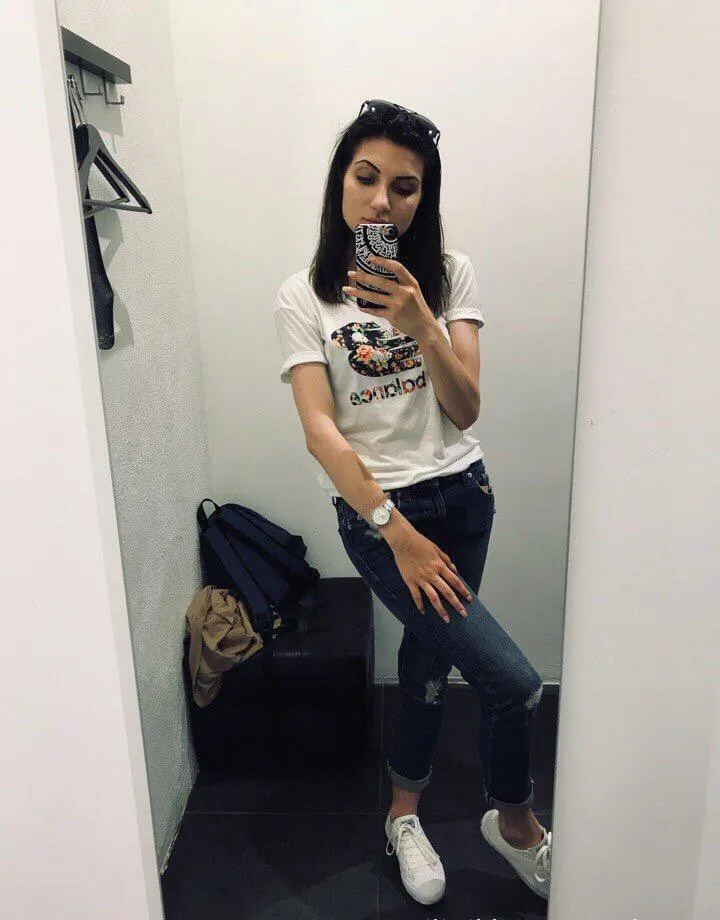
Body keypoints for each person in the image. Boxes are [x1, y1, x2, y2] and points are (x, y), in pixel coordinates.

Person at [273, 99, 552, 906]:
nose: (382, 201)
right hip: (380, 515)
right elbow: (320, 431)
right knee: (514, 684)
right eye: (366, 178)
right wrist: (394, 531)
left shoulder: (450, 274)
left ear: (423, 199)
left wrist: (421, 320)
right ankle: (516, 823)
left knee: (429, 659)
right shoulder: (303, 297)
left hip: (465, 496)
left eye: (405, 187)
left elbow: (465, 408)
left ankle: (402, 813)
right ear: (340, 182)